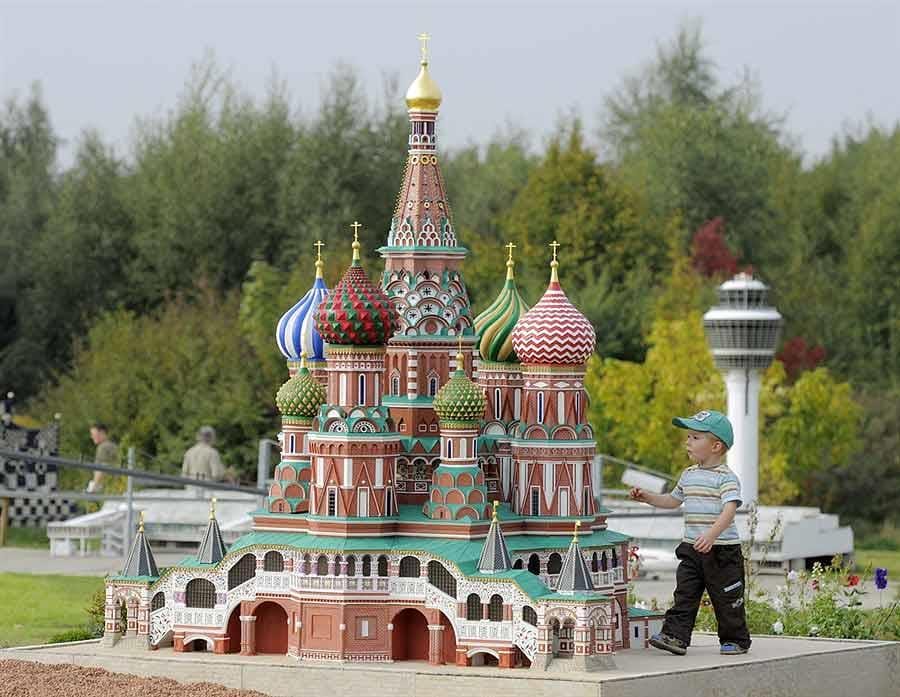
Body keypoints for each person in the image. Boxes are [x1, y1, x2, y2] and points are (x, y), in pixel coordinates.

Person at [629, 409, 751, 656]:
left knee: (727, 598)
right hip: (692, 549)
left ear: (716, 445)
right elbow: (672, 501)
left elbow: (730, 509)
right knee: (684, 594)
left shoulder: (726, 477)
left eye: (695, 437)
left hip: (722, 551)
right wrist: (648, 498)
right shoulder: (689, 475)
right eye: (688, 437)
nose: (688, 441)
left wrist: (712, 535)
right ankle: (675, 636)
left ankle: (735, 640)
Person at [182, 426, 225, 491]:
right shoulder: (212, 453)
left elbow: (184, 474)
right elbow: (216, 475)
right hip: (207, 487)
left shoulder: (189, 452)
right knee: (214, 500)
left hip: (190, 487)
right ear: (211, 437)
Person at [88, 422, 119, 493]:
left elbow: (102, 469)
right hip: (115, 486)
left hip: (107, 488)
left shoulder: (103, 447)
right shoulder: (112, 445)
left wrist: (93, 489)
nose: (92, 436)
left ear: (102, 432)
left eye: (93, 434)